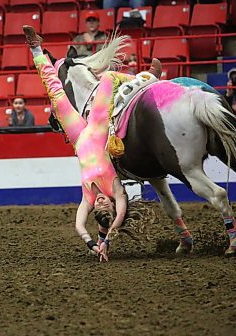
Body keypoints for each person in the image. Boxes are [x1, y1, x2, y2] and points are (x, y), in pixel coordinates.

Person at [23, 25, 162, 261]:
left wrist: (92, 244)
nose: (99, 203)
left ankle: (36, 48)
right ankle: (148, 79)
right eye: (105, 206)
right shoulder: (115, 189)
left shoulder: (87, 198)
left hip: (78, 138)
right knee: (108, 77)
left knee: (55, 93)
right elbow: (119, 215)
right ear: (112, 204)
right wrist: (107, 240)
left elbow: (79, 226)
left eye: (97, 210)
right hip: (97, 130)